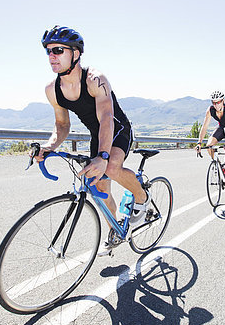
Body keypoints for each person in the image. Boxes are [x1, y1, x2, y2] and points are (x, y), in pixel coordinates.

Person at [35, 25, 149, 226]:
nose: (52, 55)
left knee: (112, 168)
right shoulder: (52, 89)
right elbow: (62, 124)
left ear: (76, 53)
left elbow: (106, 118)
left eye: (58, 50)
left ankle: (142, 197)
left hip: (117, 128)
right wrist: (49, 146)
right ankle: (114, 230)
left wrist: (103, 157)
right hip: (98, 135)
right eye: (49, 51)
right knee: (101, 189)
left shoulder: (95, 79)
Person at [196, 91, 225, 193]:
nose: (216, 105)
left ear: (223, 101)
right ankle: (219, 165)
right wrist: (199, 142)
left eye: (218, 102)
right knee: (209, 146)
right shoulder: (210, 110)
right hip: (222, 128)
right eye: (214, 103)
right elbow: (204, 126)